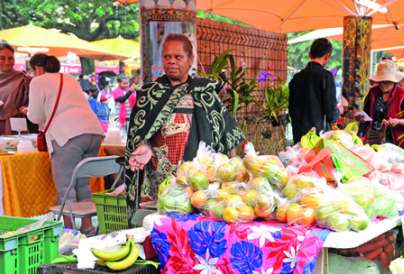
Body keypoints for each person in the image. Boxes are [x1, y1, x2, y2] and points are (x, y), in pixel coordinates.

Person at [125, 33, 245, 216]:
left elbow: (225, 134)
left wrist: (234, 170)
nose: (172, 61)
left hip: (200, 180)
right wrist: (144, 146)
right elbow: (140, 133)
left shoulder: (205, 94)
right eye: (167, 57)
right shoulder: (149, 95)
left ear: (190, 59)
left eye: (178, 57)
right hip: (163, 182)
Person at [25, 54, 104, 233]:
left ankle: (70, 233)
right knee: (82, 184)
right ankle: (87, 228)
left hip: (67, 135)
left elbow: (35, 116)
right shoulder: (69, 78)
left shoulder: (38, 81)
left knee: (66, 188)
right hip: (93, 131)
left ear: (37, 68)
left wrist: (27, 111)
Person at [288, 38, 339, 144]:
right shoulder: (326, 76)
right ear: (327, 56)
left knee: (300, 160)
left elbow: (291, 109)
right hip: (317, 136)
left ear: (309, 54)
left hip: (298, 135)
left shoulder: (296, 78)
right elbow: (330, 112)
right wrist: (337, 113)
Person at [362, 59, 404, 151]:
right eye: (381, 81)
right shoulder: (373, 92)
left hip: (397, 144)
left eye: (387, 81)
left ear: (394, 81)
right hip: (373, 139)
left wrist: (398, 121)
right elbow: (366, 115)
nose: (383, 84)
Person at [0, 41, 31, 135]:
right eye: (2, 58)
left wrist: (26, 109)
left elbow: (34, 105)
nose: (7, 62)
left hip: (16, 127)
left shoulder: (24, 79)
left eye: (10, 58)